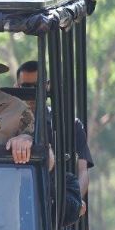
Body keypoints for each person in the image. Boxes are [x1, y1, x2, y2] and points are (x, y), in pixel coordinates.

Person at [16, 60, 93, 220]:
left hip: (55, 210)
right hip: (16, 206)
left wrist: (73, 201)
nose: (32, 92)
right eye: (26, 87)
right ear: (17, 87)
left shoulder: (70, 124)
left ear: (47, 86)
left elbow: (83, 170)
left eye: (36, 86)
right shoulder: (8, 123)